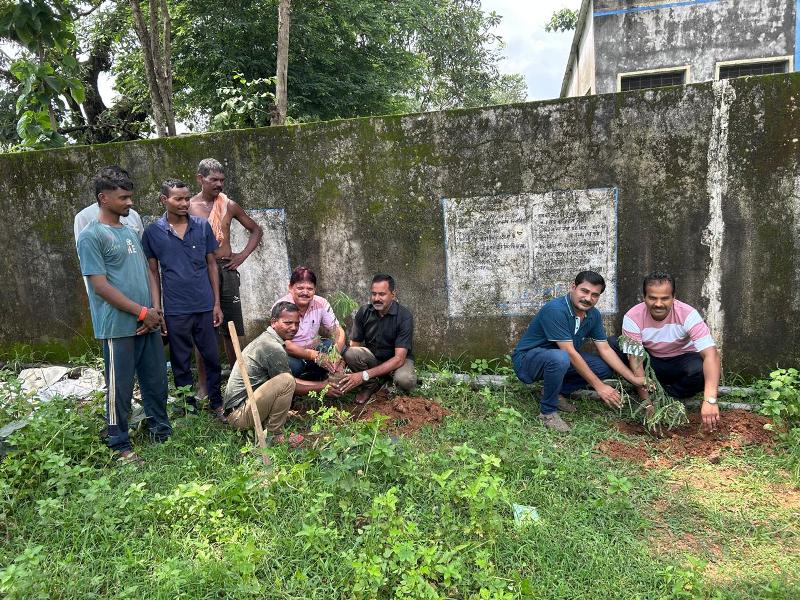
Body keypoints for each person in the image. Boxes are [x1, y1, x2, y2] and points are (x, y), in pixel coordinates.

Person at [76, 166, 171, 463]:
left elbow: (144, 274)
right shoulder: (91, 236)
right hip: (118, 326)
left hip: (147, 322)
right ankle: (119, 444)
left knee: (156, 380)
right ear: (103, 198)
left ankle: (161, 431)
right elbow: (100, 286)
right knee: (120, 387)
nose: (130, 203)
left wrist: (153, 312)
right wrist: (142, 312)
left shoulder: (130, 231)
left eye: (130, 196)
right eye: (123, 197)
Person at [512, 271, 645, 433]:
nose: (588, 298)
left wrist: (634, 379)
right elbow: (570, 353)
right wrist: (600, 387)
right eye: (584, 291)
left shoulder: (592, 315)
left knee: (603, 367)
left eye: (595, 295)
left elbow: (605, 349)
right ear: (573, 287)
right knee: (562, 357)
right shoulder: (556, 310)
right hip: (528, 361)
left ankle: (554, 392)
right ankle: (547, 413)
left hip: (560, 359)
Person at [142, 179, 225, 420]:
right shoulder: (153, 232)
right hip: (176, 309)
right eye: (178, 198)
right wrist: (158, 310)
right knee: (180, 361)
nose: (184, 203)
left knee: (211, 358)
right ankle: (187, 408)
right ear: (164, 200)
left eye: (187, 198)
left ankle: (217, 404)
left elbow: (211, 264)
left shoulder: (201, 226)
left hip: (204, 305)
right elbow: (153, 272)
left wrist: (216, 303)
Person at [612, 272, 721, 431]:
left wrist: (710, 400)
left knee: (699, 370)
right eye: (652, 298)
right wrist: (648, 405)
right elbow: (636, 362)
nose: (658, 304)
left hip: (681, 361)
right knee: (614, 344)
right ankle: (651, 393)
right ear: (644, 297)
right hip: (651, 362)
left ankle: (668, 396)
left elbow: (711, 354)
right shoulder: (632, 317)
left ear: (673, 297)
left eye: (665, 298)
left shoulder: (688, 314)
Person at [189, 158, 263, 393]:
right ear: (200, 179)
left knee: (230, 330)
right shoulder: (188, 208)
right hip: (200, 273)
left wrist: (241, 255)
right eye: (214, 180)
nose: (219, 184)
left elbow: (255, 229)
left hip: (225, 269)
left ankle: (236, 383)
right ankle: (204, 386)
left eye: (222, 180)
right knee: (202, 330)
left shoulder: (228, 205)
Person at [223, 301, 342, 445]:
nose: (294, 328)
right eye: (288, 323)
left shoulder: (269, 339)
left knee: (286, 379)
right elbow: (291, 384)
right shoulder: (272, 347)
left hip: (244, 407)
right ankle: (274, 434)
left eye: (297, 323)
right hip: (239, 415)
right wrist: (322, 387)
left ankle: (268, 423)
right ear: (274, 322)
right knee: (286, 380)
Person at [337, 274, 417, 404]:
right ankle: (370, 385)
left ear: (393, 295)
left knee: (405, 380)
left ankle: (389, 385)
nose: (377, 298)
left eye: (382, 294)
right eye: (374, 294)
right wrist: (342, 367)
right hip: (374, 358)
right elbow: (354, 346)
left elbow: (399, 359)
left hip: (398, 362)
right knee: (350, 352)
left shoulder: (404, 316)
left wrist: (363, 375)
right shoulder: (364, 312)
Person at [272, 266, 346, 380]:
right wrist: (315, 356)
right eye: (300, 288)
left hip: (314, 349)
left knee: (334, 346)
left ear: (315, 289)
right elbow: (284, 344)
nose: (305, 292)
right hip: (292, 355)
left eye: (310, 289)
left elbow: (337, 330)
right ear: (290, 288)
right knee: (292, 366)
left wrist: (335, 354)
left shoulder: (321, 303)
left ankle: (322, 377)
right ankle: (295, 387)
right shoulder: (281, 307)